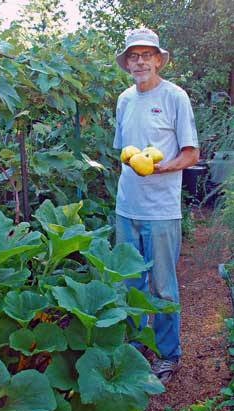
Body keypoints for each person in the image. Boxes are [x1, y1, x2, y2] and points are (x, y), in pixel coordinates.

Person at [113, 28, 200, 384]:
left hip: (162, 209)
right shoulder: (123, 99)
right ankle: (136, 349)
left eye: (147, 55)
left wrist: (165, 167)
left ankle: (168, 354)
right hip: (126, 206)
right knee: (131, 284)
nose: (140, 61)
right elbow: (122, 150)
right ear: (127, 63)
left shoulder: (175, 97)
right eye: (134, 56)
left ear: (159, 59)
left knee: (163, 285)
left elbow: (192, 153)